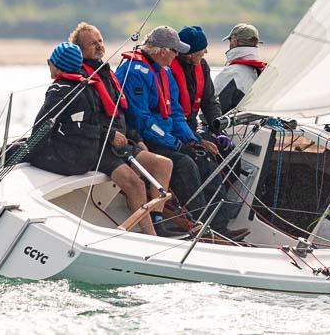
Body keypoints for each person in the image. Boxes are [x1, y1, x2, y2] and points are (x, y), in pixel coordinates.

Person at [29, 42, 177, 237]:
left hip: (90, 151)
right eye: (93, 43)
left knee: (157, 169)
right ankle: (152, 234)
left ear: (54, 64)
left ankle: (154, 232)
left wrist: (22, 150)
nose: (99, 46)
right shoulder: (88, 84)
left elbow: (41, 130)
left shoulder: (66, 88)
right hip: (96, 148)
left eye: (100, 41)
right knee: (136, 183)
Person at [116, 26, 245, 240]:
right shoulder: (134, 72)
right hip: (142, 138)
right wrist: (174, 143)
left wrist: (193, 140)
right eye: (175, 51)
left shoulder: (164, 71)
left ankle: (218, 227)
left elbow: (175, 113)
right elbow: (142, 119)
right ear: (162, 51)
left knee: (204, 158)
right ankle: (200, 227)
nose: (178, 55)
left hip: (166, 136)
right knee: (185, 164)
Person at [169, 25, 222, 133]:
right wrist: (195, 140)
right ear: (190, 53)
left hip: (192, 128)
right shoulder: (167, 69)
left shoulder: (202, 66)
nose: (206, 52)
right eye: (203, 48)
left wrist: (219, 130)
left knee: (224, 147)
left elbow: (209, 102)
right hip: (173, 129)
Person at [213, 23, 267, 112]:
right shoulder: (264, 72)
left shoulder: (230, 74)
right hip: (258, 123)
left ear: (234, 41)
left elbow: (209, 112)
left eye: (230, 40)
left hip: (234, 125)